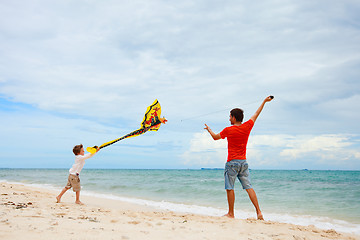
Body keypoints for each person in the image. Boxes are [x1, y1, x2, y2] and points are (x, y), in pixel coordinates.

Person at [204, 96, 273, 220]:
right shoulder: (247, 126)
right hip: (243, 163)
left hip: (232, 163)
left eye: (230, 116)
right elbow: (257, 113)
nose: (229, 118)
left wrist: (209, 130)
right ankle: (259, 212)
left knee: (229, 188)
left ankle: (231, 213)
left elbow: (215, 137)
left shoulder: (228, 130)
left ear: (234, 117)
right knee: (248, 187)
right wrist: (264, 101)